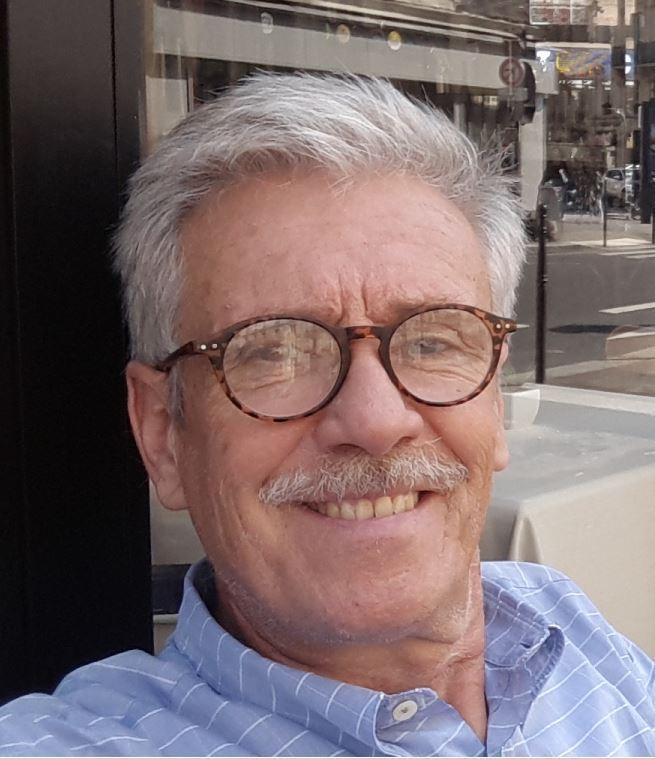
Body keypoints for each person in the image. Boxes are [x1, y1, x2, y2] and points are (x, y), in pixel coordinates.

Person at [0, 73, 653, 757]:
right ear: (163, 434)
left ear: (491, 398)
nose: (375, 420)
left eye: (433, 341)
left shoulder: (564, 624)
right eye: (274, 351)